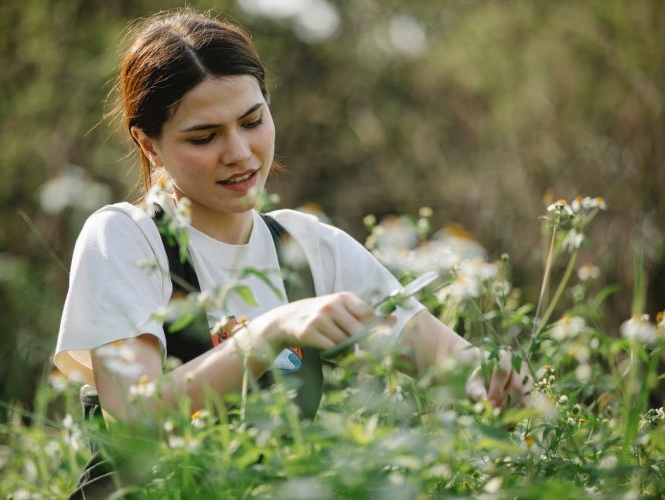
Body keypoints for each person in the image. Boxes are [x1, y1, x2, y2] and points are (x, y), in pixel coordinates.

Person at [54, 7, 529, 493]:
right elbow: (134, 421)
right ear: (148, 145)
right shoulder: (124, 240)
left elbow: (445, 356)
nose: (239, 152)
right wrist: (269, 333)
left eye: (252, 120)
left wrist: (487, 378)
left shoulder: (306, 247)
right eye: (205, 136)